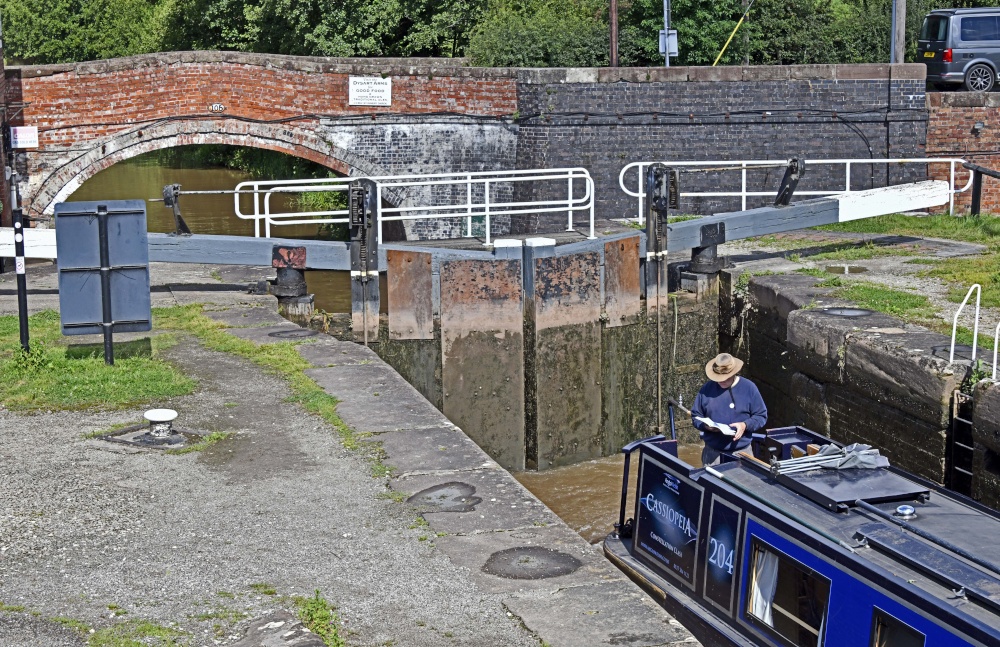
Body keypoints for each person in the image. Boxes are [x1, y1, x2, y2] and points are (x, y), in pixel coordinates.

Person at [691, 353, 767, 466]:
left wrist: (745, 425)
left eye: (725, 378)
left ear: (734, 373)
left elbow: (761, 416)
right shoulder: (706, 389)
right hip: (712, 455)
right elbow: (696, 415)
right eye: (718, 378)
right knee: (711, 483)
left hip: (742, 454)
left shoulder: (749, 388)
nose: (721, 381)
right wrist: (705, 426)